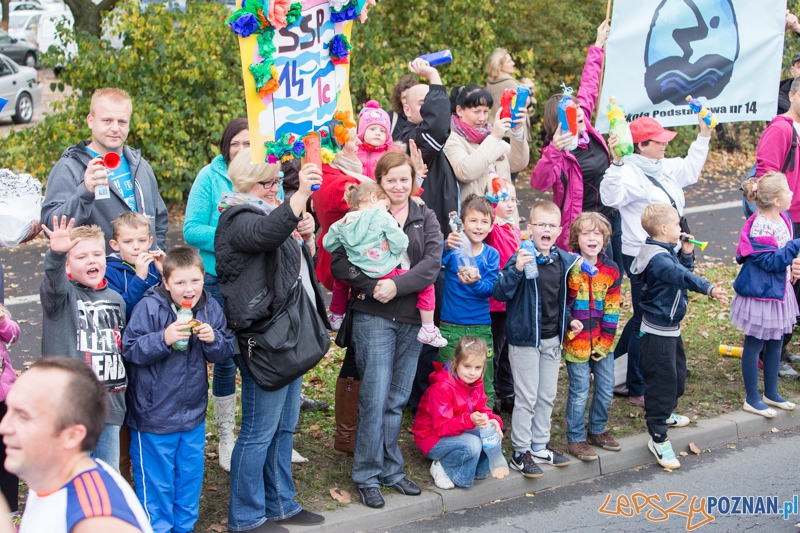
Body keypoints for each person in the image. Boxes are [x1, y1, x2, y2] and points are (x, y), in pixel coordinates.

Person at [215, 149, 327, 531]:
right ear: (247, 183)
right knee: (258, 431)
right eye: (268, 183)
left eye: (277, 182)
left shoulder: (269, 213)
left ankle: (281, 504)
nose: (274, 188)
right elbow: (265, 235)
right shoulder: (236, 217)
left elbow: (287, 262)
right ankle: (246, 518)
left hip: (287, 333)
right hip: (263, 339)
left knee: (284, 427)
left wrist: (305, 238)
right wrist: (298, 200)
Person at [330, 151, 442, 509]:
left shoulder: (426, 216)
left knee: (396, 399)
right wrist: (371, 283)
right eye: (390, 180)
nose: (398, 186)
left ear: (413, 181)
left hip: (412, 317)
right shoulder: (362, 215)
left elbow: (432, 264)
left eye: (404, 179)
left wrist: (398, 285)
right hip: (372, 316)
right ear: (379, 182)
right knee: (374, 397)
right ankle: (366, 474)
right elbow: (338, 263)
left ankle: (392, 470)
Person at [600, 113, 711, 405]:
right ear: (641, 145)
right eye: (659, 141)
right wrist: (616, 162)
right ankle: (635, 385)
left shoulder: (661, 166)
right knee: (644, 320)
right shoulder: (629, 170)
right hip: (643, 256)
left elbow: (690, 169)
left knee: (642, 316)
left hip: (666, 252)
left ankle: (615, 370)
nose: (665, 145)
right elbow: (611, 197)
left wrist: (704, 135)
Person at [122, 247, 235, 533]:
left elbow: (225, 351)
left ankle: (184, 528)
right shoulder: (149, 306)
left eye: (195, 281)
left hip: (193, 415)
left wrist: (214, 340)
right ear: (166, 282)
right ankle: (156, 529)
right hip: (153, 417)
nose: (189, 289)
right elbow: (130, 349)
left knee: (188, 480)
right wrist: (163, 338)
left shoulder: (209, 306)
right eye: (181, 283)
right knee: (157, 485)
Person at [0, 356, 153, 532]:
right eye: (9, 410)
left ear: (72, 436)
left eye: (24, 416)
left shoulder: (97, 520)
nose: (4, 426)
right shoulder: (48, 477)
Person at [629, 204, 728, 469]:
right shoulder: (658, 258)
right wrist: (708, 288)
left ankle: (666, 413)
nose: (681, 230)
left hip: (671, 329)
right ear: (664, 229)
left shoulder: (664, 251)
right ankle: (658, 437)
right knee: (662, 384)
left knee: (678, 378)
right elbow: (680, 277)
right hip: (657, 333)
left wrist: (686, 253)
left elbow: (678, 274)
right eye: (677, 225)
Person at [493, 200, 579, 478]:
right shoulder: (521, 257)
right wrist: (516, 269)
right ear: (529, 229)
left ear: (559, 230)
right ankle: (520, 451)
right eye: (540, 224)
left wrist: (569, 322)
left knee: (546, 396)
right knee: (527, 397)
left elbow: (563, 300)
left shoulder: (564, 262)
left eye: (551, 225)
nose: (546, 229)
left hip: (553, 339)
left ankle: (540, 445)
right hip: (525, 339)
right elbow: (500, 292)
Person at [183, 117, 249, 472]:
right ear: (226, 145)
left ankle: (260, 434)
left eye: (249, 143)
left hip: (256, 282)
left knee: (257, 357)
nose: (242, 150)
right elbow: (191, 229)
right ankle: (226, 437)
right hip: (217, 280)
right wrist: (236, 238)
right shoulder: (210, 178)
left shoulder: (264, 174)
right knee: (224, 359)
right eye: (236, 143)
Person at [530, 20, 620, 267]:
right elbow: (539, 182)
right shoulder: (557, 153)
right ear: (558, 120)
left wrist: (598, 44)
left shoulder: (586, 126)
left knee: (614, 275)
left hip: (610, 217)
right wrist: (554, 150)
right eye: (569, 112)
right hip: (581, 231)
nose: (578, 112)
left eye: (577, 107)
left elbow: (589, 85)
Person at [40, 218, 127, 471]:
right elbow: (53, 281)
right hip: (71, 412)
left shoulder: (116, 299)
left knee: (105, 483)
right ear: (67, 266)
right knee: (72, 482)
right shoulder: (62, 298)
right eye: (81, 257)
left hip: (109, 409)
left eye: (97, 254)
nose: (91, 261)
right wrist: (56, 254)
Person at [41, 88, 168, 253]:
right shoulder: (69, 168)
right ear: (91, 121)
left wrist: (157, 252)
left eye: (122, 121)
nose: (115, 128)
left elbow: (159, 218)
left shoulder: (140, 165)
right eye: (107, 120)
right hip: (99, 275)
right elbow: (51, 226)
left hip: (145, 274)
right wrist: (85, 192)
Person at [323, 181, 446, 347]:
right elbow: (401, 244)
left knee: (341, 282)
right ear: (374, 197)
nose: (387, 208)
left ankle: (337, 315)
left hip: (360, 273)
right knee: (427, 285)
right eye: (386, 204)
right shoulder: (381, 216)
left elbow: (328, 244)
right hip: (384, 271)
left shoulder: (344, 221)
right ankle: (428, 328)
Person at [731, 173, 800, 418]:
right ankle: (752, 398)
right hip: (761, 294)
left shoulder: (784, 219)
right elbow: (770, 261)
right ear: (777, 200)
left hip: (779, 291)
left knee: (776, 341)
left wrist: (794, 265)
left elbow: (785, 257)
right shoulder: (760, 225)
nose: (793, 192)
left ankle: (771, 392)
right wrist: (795, 248)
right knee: (754, 345)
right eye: (789, 190)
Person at [410, 336, 505, 490]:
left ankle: (477, 471)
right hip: (432, 438)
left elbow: (483, 409)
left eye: (477, 368)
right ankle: (441, 466)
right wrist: (470, 420)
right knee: (472, 444)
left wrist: (493, 420)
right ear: (456, 363)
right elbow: (442, 427)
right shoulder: (442, 388)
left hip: (457, 429)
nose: (472, 373)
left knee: (492, 431)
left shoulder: (475, 383)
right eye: (467, 366)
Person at [563, 213, 621, 462]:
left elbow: (612, 308)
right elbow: (563, 302)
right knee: (579, 390)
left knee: (606, 387)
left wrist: (606, 342)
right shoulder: (568, 266)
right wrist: (568, 325)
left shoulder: (610, 270)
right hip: (576, 341)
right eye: (586, 233)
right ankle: (575, 438)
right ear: (576, 237)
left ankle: (597, 429)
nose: (592, 238)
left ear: (605, 238)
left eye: (597, 233)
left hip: (601, 340)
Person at [756, 77, 800, 378]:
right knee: (786, 283)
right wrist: (775, 219)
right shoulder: (781, 128)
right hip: (788, 218)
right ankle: (766, 353)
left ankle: (781, 346)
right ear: (793, 94)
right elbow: (765, 175)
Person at [438, 195, 500, 406]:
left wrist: (474, 282)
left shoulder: (491, 255)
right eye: (473, 221)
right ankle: (445, 424)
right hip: (450, 327)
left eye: (484, 222)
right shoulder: (453, 247)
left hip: (480, 326)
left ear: (492, 226)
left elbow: (489, 290)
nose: (478, 226)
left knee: (484, 379)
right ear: (462, 223)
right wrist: (445, 246)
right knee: (446, 379)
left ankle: (486, 422)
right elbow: (432, 265)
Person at [394, 58, 459, 238]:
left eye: (432, 104)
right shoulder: (406, 139)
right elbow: (436, 128)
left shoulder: (416, 134)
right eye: (424, 104)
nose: (430, 109)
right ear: (407, 110)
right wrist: (434, 77)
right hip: (424, 234)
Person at [445, 84, 529, 223]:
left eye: (485, 111)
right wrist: (495, 137)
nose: (482, 118)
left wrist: (517, 131)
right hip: (476, 224)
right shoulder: (452, 139)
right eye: (476, 111)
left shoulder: (488, 135)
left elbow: (518, 163)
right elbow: (466, 172)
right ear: (459, 110)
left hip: (505, 223)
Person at [484, 182, 520, 413]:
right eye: (503, 198)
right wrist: (491, 196)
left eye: (513, 199)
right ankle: (491, 395)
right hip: (496, 303)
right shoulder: (494, 229)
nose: (510, 204)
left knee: (508, 349)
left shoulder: (513, 229)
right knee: (495, 350)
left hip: (513, 302)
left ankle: (507, 391)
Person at [485, 47, 536, 181]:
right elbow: (526, 103)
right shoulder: (509, 82)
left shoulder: (491, 80)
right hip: (512, 132)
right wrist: (530, 89)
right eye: (509, 61)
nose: (513, 63)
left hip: (498, 129)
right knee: (509, 174)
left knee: (500, 173)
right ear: (499, 65)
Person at [105, 212, 164, 320]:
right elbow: (121, 313)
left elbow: (176, 303)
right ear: (115, 244)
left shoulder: (155, 266)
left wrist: (166, 273)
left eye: (142, 241)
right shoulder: (108, 273)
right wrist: (139, 279)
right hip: (131, 334)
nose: (136, 247)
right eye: (128, 242)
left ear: (150, 242)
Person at [0, 305, 18, 519]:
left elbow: (13, 336)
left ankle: (11, 513)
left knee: (7, 454)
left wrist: (2, 320)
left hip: (4, 400)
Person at [356, 100, 401, 179]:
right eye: (372, 129)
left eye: (382, 131)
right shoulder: (354, 151)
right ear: (362, 131)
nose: (378, 133)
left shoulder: (391, 154)